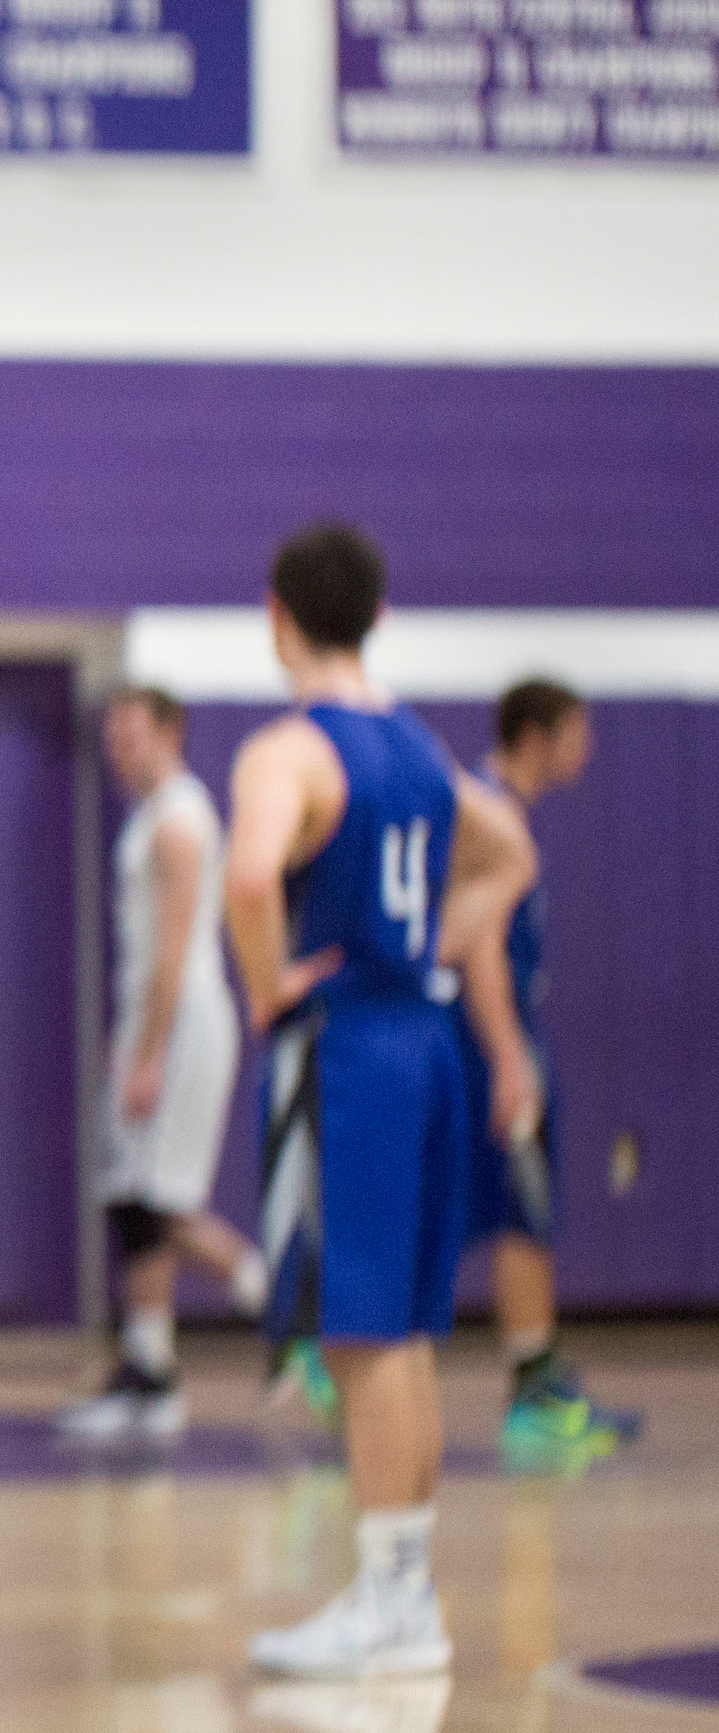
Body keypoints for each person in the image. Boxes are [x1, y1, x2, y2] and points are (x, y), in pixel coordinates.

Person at [228, 523, 534, 1679]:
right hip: (427, 1039)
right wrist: (428, 950)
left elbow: (251, 873)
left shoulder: (288, 753)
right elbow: (509, 856)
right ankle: (397, 1586)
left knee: (357, 1331)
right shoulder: (417, 748)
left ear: (274, 615)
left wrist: (265, 984)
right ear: (379, 615)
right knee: (397, 1330)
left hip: (350, 1044)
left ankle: (388, 1597)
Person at [57, 687, 266, 1443]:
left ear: (171, 732)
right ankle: (149, 1362)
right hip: (155, 1022)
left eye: (134, 736)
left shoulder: (180, 818)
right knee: (132, 1198)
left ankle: (275, 1294)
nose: (121, 751)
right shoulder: (151, 816)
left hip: (182, 1025)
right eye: (113, 738)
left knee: (159, 1199)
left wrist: (146, 1052)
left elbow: (174, 947)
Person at [454, 679, 641, 1456]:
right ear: (536, 734)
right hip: (493, 1037)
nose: (586, 748)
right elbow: (481, 946)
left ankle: (535, 1370)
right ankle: (532, 1389)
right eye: (576, 730)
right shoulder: (490, 813)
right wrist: (507, 1057)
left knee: (515, 1210)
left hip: (502, 1032)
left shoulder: (500, 808)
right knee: (520, 1209)